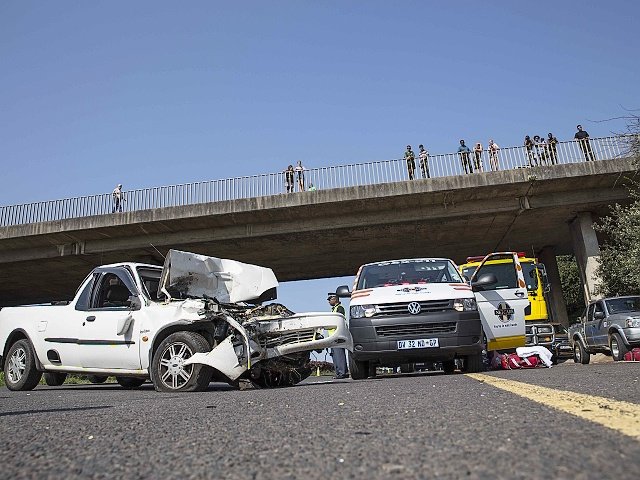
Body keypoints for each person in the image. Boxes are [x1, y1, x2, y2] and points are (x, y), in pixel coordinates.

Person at [327, 293, 348, 379]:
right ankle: (339, 372)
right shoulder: (334, 309)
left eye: (330, 299)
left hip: (337, 335)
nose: (329, 301)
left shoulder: (339, 308)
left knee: (339, 354)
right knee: (335, 355)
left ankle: (342, 372)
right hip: (333, 336)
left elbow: (338, 320)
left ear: (335, 299)